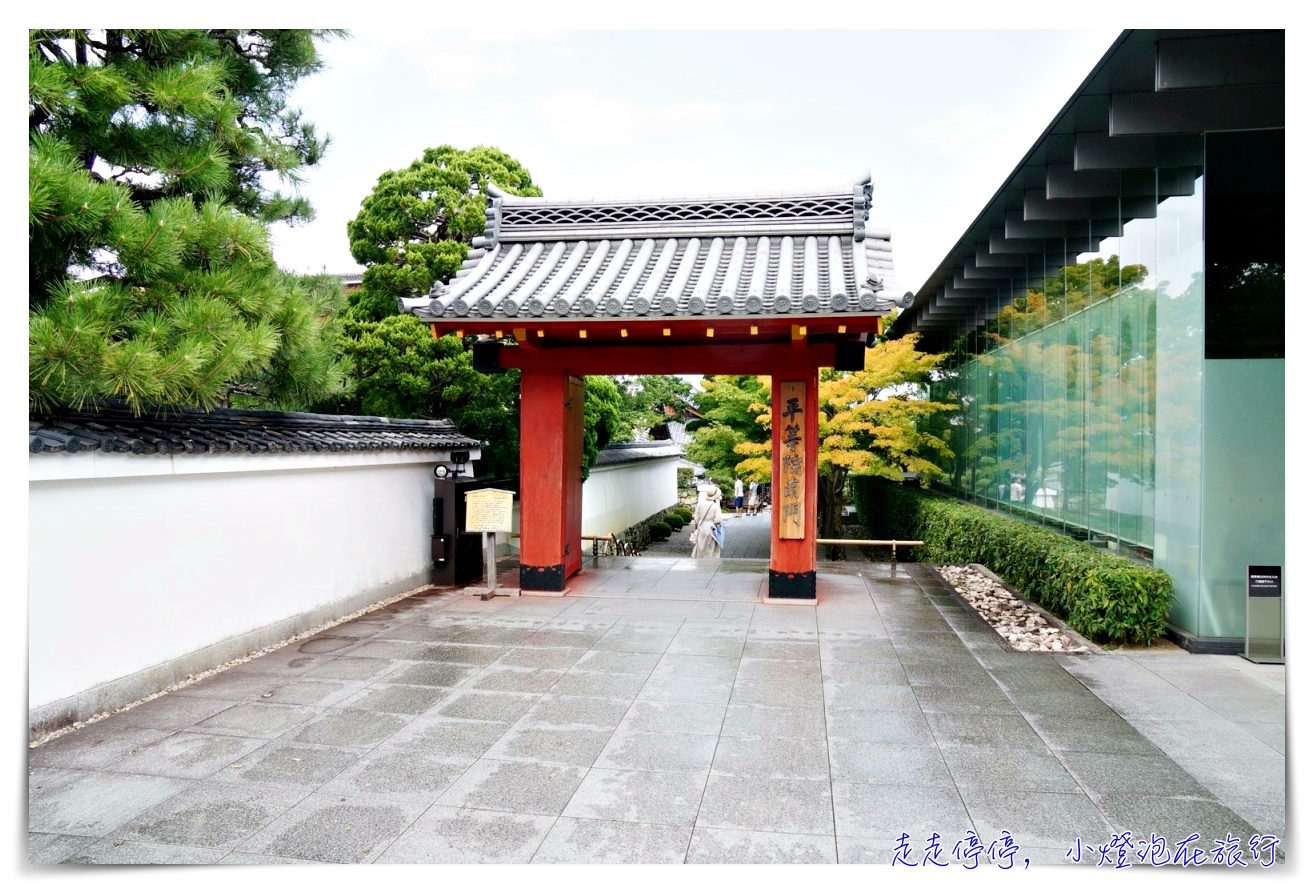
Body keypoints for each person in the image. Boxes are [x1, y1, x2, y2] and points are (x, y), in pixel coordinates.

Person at [691, 483, 724, 558]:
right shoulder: (715, 506)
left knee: (701, 544)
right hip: (711, 527)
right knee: (710, 547)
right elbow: (717, 520)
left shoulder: (699, 504)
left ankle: (700, 560)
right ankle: (710, 562)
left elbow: (696, 519)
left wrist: (696, 528)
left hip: (701, 526)